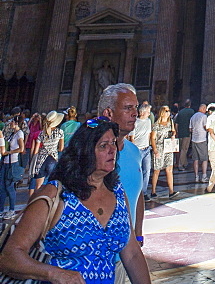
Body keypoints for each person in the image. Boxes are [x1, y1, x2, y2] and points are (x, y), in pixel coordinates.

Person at [0, 118, 151, 284]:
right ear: (84, 152)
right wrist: (53, 274)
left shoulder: (118, 193)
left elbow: (132, 254)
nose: (112, 150)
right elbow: (9, 257)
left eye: (113, 143)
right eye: (103, 145)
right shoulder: (55, 194)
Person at [98, 81, 145, 279]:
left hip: (124, 258)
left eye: (136, 107)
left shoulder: (134, 152)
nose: (136, 113)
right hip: (91, 260)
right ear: (108, 113)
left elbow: (138, 194)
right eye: (128, 108)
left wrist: (138, 233)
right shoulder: (84, 152)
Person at [150, 104, 178, 198]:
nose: (168, 112)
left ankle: (171, 191)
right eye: (166, 111)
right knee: (157, 170)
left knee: (169, 169)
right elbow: (153, 138)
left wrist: (173, 134)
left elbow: (174, 131)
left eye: (169, 110)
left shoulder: (171, 122)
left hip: (168, 147)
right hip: (159, 147)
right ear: (162, 112)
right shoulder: (156, 125)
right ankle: (153, 191)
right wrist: (155, 150)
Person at [34, 110, 65, 190]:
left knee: (38, 187)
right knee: (51, 185)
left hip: (41, 159)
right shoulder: (59, 132)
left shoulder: (42, 133)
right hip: (53, 158)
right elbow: (61, 148)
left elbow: (36, 150)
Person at [0, 114, 24, 215]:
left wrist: (9, 152)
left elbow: (21, 148)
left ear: (17, 123)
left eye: (12, 122)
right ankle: (1, 209)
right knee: (2, 186)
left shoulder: (19, 134)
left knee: (10, 187)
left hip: (12, 162)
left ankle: (11, 209)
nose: (10, 123)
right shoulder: (12, 133)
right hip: (6, 162)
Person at [128, 103, 152, 199]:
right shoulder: (135, 122)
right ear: (142, 112)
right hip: (137, 150)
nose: (149, 114)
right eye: (148, 112)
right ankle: (136, 191)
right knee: (137, 171)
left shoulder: (149, 121)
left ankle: (144, 192)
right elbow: (131, 138)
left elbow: (149, 134)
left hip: (146, 149)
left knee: (147, 170)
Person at [189, 103, 208, 183]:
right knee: (204, 159)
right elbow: (205, 127)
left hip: (194, 139)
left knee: (195, 159)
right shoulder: (204, 116)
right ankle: (204, 176)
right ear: (203, 108)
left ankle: (196, 176)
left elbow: (190, 129)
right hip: (202, 139)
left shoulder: (193, 116)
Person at [174, 98, 194, 171]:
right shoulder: (191, 111)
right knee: (184, 149)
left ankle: (185, 163)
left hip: (180, 132)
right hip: (187, 132)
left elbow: (176, 124)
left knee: (180, 149)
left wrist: (176, 132)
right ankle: (180, 164)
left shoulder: (180, 112)